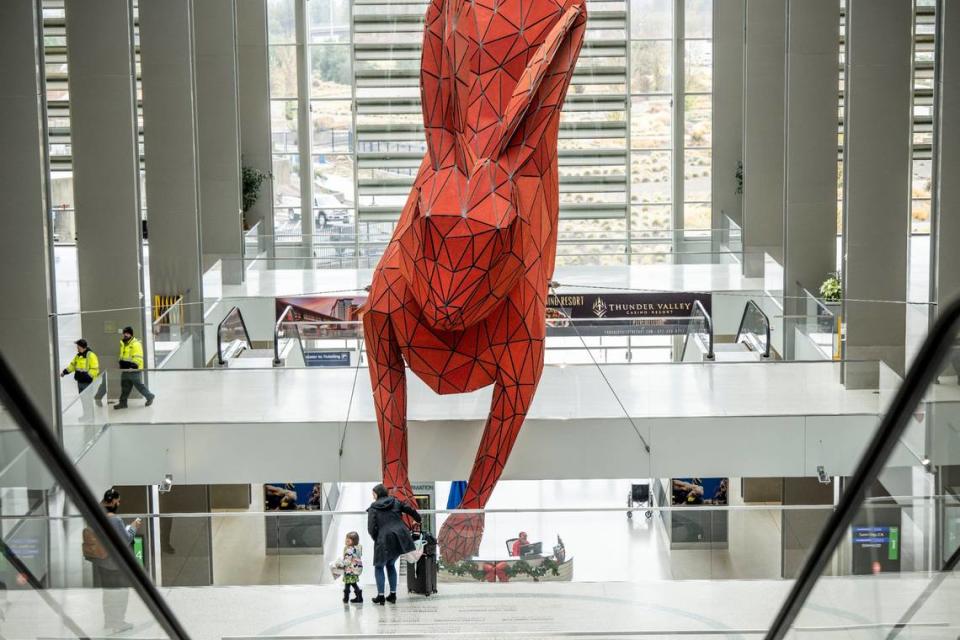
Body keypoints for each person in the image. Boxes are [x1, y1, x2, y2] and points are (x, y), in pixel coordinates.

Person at [86, 488, 142, 633]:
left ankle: (109, 621)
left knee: (108, 592)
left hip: (101, 561)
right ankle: (118, 622)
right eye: (118, 500)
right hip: (115, 564)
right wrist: (133, 527)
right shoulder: (115, 520)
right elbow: (126, 539)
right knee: (121, 592)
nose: (119, 503)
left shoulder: (97, 516)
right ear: (114, 501)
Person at [367, 483, 421, 605]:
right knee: (391, 564)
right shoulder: (395, 501)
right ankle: (392, 595)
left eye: (373, 493)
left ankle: (381, 596)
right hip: (400, 537)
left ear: (377, 493)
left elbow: (371, 527)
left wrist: (376, 537)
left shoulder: (373, 507)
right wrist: (418, 518)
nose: (372, 496)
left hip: (383, 538)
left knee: (379, 566)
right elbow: (409, 509)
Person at [115, 326, 155, 409]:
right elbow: (123, 356)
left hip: (134, 370)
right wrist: (121, 363)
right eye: (124, 333)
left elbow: (138, 357)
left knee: (139, 386)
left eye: (127, 333)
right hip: (125, 370)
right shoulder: (124, 344)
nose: (125, 335)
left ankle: (149, 396)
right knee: (125, 387)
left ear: (131, 334)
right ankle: (123, 403)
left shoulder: (135, 344)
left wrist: (133, 367)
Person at [60, 339, 101, 420]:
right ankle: (86, 416)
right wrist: (65, 372)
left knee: (88, 401)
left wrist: (88, 376)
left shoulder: (91, 355)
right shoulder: (78, 356)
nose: (77, 348)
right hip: (80, 381)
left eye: (78, 346)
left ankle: (90, 417)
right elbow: (72, 365)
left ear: (82, 347)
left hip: (88, 382)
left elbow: (95, 369)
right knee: (83, 400)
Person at [341, 531, 363, 604]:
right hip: (354, 570)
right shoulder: (357, 548)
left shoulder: (349, 550)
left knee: (347, 585)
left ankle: (346, 598)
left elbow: (347, 561)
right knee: (353, 583)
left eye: (348, 540)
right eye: (346, 539)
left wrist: (340, 563)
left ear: (354, 541)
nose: (346, 540)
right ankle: (359, 596)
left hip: (349, 571)